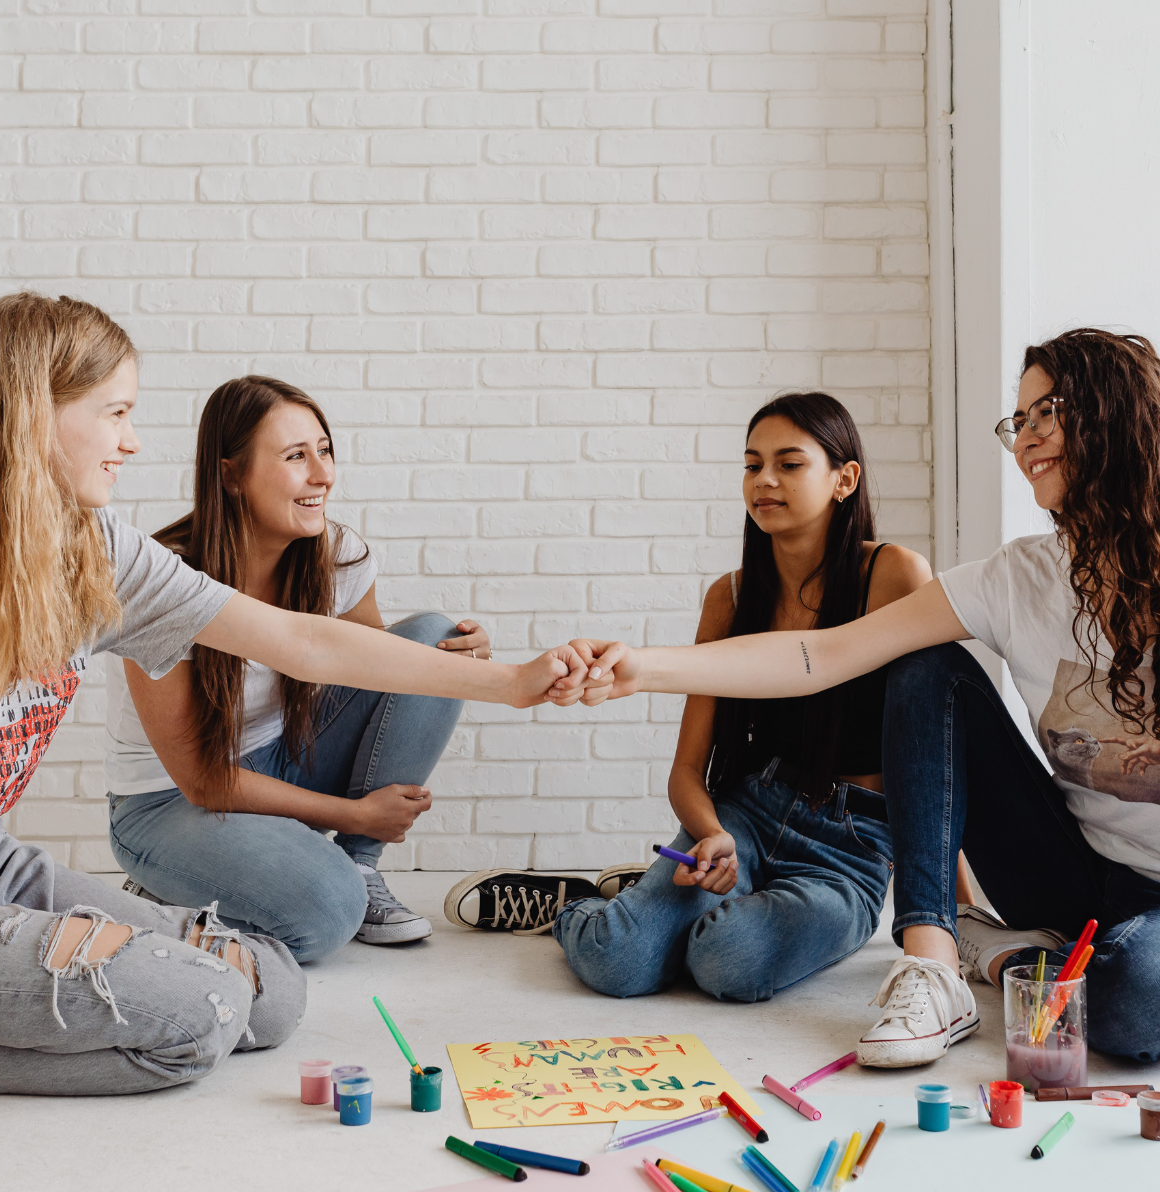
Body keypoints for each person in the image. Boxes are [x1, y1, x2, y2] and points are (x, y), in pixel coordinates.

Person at [0, 292, 580, 1095]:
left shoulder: (98, 553)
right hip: (145, 816)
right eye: (114, 412)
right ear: (32, 413)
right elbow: (199, 776)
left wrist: (514, 684)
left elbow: (308, 642)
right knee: (199, 1010)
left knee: (272, 992)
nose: (132, 441)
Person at [555, 328, 1160, 1067]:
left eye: (1046, 414)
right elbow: (825, 655)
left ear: (1111, 413)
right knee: (924, 664)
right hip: (1074, 866)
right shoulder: (1016, 577)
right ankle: (938, 965)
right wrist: (642, 667)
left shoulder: (891, 565)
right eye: (1018, 420)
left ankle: (1028, 955)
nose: (1024, 438)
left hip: (1118, 897)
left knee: (1129, 1004)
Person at [446, 393, 932, 1009]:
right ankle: (579, 906)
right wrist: (711, 835)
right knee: (615, 962)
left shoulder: (893, 576)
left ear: (845, 478)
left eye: (789, 463)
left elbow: (937, 757)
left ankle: (649, 907)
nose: (764, 481)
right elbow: (686, 769)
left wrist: (954, 914)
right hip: (746, 818)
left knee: (727, 960)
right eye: (752, 465)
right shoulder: (728, 598)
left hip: (849, 851)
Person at [105, 375, 489, 957]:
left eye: (325, 450)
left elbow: (383, 679)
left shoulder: (335, 556)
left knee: (431, 643)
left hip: (285, 757)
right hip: (169, 801)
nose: (323, 474)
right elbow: (203, 780)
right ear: (231, 474)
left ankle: (360, 867)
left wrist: (462, 663)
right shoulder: (162, 580)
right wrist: (354, 811)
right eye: (295, 456)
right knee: (325, 913)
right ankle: (173, 881)